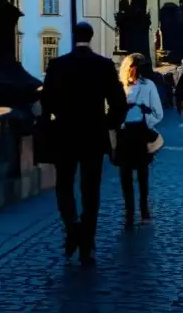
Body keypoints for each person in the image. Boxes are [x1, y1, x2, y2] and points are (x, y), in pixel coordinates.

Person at [41, 21, 127, 264]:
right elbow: (119, 103)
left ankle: (72, 225)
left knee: (64, 185)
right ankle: (87, 244)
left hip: (65, 133)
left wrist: (52, 124)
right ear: (91, 37)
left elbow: (46, 103)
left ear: (73, 36)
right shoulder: (104, 65)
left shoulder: (58, 65)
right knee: (91, 190)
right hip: (93, 135)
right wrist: (108, 124)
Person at [116, 53, 164, 229]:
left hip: (139, 133)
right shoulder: (120, 86)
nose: (134, 71)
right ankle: (129, 212)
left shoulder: (148, 86)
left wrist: (145, 122)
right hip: (124, 134)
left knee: (142, 174)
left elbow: (158, 112)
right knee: (125, 175)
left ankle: (143, 209)